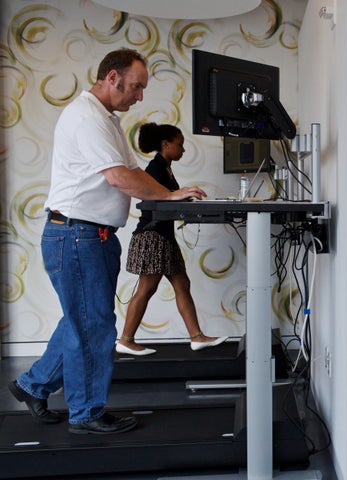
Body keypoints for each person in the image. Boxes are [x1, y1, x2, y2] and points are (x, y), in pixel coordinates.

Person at [7, 48, 206, 435]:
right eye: (136, 86)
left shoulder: (107, 119)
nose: (140, 96)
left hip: (92, 235)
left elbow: (131, 170)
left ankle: (31, 385)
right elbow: (118, 177)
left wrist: (169, 193)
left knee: (81, 321)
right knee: (94, 326)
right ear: (112, 78)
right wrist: (167, 197)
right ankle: (86, 414)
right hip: (77, 234)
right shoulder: (86, 118)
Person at [116, 123, 228, 355]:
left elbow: (169, 198)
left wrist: (186, 199)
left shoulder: (164, 168)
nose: (183, 150)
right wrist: (183, 198)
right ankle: (126, 340)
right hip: (152, 237)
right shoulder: (155, 169)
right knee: (147, 288)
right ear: (165, 145)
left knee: (182, 284)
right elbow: (158, 201)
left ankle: (197, 337)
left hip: (164, 237)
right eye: (180, 145)